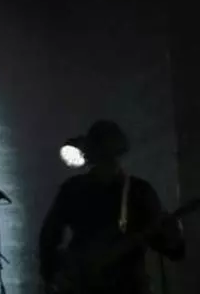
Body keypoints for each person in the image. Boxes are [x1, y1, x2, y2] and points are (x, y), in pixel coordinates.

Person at [39, 120, 185, 294]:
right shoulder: (137, 190)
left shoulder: (136, 191)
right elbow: (49, 237)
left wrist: (171, 234)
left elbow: (48, 238)